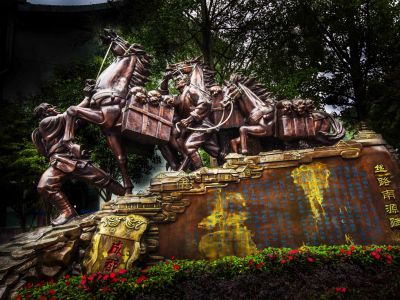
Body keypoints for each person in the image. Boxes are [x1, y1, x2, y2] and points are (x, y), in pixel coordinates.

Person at [32, 103, 125, 226]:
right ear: (45, 113)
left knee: (102, 178)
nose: (54, 107)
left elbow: (76, 121)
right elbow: (71, 112)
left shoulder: (60, 123)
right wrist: (86, 99)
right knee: (44, 186)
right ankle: (67, 212)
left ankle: (126, 195)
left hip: (71, 159)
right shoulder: (46, 122)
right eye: (50, 106)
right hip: (59, 161)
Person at [159, 65, 223, 170]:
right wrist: (166, 79)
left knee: (189, 146)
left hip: (202, 126)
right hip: (193, 128)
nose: (176, 82)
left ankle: (200, 173)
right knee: (215, 151)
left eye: (179, 80)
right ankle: (229, 159)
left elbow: (204, 103)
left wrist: (189, 119)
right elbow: (163, 93)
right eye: (175, 81)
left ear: (186, 82)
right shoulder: (178, 97)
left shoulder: (191, 91)